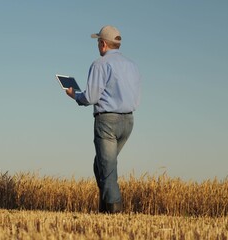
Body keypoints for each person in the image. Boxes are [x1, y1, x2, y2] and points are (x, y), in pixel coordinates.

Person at [66, 25, 141, 213]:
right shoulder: (132, 65)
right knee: (101, 165)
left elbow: (91, 98)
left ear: (103, 44)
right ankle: (104, 209)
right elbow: (136, 97)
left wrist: (74, 95)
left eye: (98, 42)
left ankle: (114, 212)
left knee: (107, 168)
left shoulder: (100, 64)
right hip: (128, 121)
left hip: (107, 121)